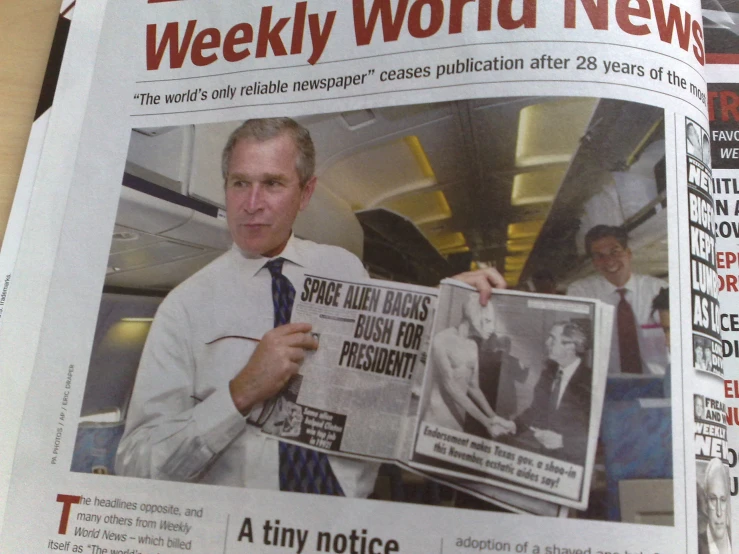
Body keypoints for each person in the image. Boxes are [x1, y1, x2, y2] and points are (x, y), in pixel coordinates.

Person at [115, 117, 504, 496]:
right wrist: (240, 394)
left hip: (343, 519)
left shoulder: (345, 266)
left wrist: (441, 308)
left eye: (272, 184)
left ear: (305, 193)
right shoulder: (183, 307)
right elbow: (135, 466)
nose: (252, 203)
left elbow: (392, 366)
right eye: (240, 183)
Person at [567, 225, 668, 374]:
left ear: (628, 253)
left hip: (657, 381)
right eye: (599, 256)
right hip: (606, 384)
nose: (609, 261)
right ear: (594, 262)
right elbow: (576, 345)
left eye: (615, 252)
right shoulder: (581, 292)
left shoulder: (659, 289)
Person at [503, 321, 591, 465]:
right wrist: (513, 425)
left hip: (575, 463)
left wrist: (563, 441)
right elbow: (536, 410)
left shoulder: (591, 382)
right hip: (547, 461)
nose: (546, 342)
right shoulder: (547, 374)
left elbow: (598, 433)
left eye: (552, 338)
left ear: (570, 346)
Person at [424, 294, 508, 438]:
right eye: (487, 321)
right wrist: (485, 421)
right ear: (473, 316)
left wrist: (493, 417)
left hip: (458, 422)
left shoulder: (473, 345)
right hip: (435, 422)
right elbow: (451, 387)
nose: (491, 328)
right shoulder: (442, 339)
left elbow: (473, 386)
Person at [699, 457, 732, 554]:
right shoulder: (697, 544)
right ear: (705, 503)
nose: (719, 512)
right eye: (713, 499)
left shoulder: (734, 537)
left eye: (723, 500)